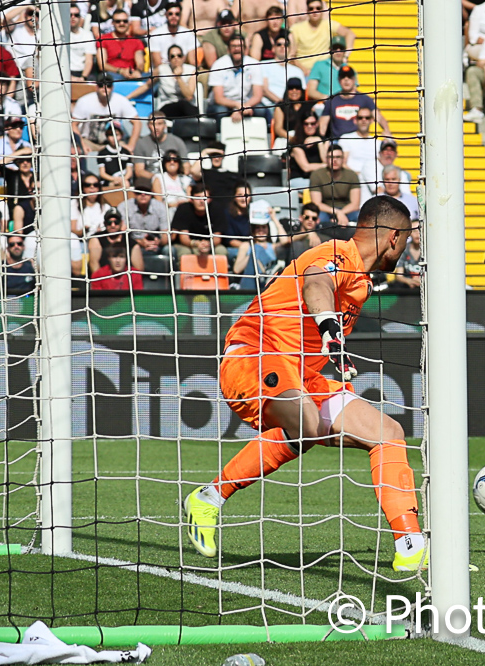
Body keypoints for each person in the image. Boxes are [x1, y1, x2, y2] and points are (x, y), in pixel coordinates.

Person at [182, 197, 427, 570]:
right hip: (255, 354)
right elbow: (317, 283)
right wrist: (332, 332)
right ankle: (212, 495)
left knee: (387, 432)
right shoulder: (339, 254)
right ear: (394, 236)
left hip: (299, 374)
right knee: (307, 423)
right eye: (408, 239)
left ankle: (411, 544)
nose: (408, 246)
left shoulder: (360, 278)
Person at [72, 75, 142, 153]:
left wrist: (130, 146)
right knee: (77, 150)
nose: (105, 88)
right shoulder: (84, 101)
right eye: (101, 85)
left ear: (112, 87)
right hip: (90, 142)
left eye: (108, 85)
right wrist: (82, 144)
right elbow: (73, 124)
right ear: (96, 87)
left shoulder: (121, 100)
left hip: (114, 143)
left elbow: (137, 122)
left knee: (129, 153)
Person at [208, 34, 269, 123]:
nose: (237, 49)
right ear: (228, 49)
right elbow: (219, 98)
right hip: (225, 104)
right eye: (233, 46)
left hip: (247, 103)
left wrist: (244, 107)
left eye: (240, 46)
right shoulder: (218, 65)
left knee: (261, 110)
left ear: (245, 49)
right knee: (220, 111)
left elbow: (258, 96)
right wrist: (238, 106)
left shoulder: (254, 64)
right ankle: (218, 136)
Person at [319, 65, 390, 139]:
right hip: (337, 143)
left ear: (354, 80)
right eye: (343, 77)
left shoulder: (365, 99)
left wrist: (387, 131)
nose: (346, 80)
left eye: (349, 77)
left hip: (358, 140)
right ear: (339, 80)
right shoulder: (332, 101)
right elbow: (322, 125)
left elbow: (379, 117)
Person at [290, 0, 356, 74]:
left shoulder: (328, 24)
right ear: (307, 10)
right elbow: (292, 56)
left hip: (325, 71)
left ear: (322, 10)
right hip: (304, 72)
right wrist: (304, 70)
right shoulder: (296, 29)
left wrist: (346, 56)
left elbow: (350, 34)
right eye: (311, 8)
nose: (314, 11)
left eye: (318, 8)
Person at [309, 144, 361, 237]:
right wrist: (337, 213)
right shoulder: (317, 175)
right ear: (326, 159)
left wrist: (341, 213)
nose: (335, 160)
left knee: (359, 216)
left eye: (338, 157)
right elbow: (316, 203)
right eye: (331, 157)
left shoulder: (352, 175)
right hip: (325, 210)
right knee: (318, 218)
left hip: (347, 210)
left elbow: (355, 204)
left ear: (343, 159)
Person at [171, 183, 228, 259]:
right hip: (187, 244)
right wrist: (196, 244)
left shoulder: (217, 209)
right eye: (198, 197)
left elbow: (217, 237)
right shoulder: (184, 209)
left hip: (210, 244)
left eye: (205, 198)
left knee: (221, 251)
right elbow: (183, 238)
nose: (201, 201)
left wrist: (208, 244)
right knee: (185, 253)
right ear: (191, 199)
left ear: (210, 199)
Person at [87, 207, 145, 275]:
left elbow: (139, 270)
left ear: (121, 223)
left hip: (125, 280)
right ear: (105, 223)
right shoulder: (96, 239)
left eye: (116, 222)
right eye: (109, 222)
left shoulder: (130, 242)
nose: (113, 225)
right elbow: (94, 265)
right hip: (103, 280)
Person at [133, 111, 188, 183]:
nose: (156, 127)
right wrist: (159, 180)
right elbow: (139, 171)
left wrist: (170, 179)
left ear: (165, 125)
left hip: (174, 182)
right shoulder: (141, 143)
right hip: (150, 182)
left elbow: (186, 168)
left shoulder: (177, 142)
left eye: (159, 124)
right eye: (153, 124)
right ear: (148, 126)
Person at [96, 9, 148, 81]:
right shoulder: (103, 39)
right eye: (118, 21)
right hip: (112, 74)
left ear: (129, 23)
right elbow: (102, 65)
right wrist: (121, 71)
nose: (122, 23)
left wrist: (137, 71)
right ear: (112, 23)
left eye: (125, 21)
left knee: (152, 78)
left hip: (131, 73)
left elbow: (140, 63)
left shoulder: (136, 42)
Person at [257, 34, 305, 108]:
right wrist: (282, 104)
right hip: (269, 106)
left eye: (285, 45)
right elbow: (264, 90)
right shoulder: (263, 65)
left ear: (289, 48)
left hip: (291, 109)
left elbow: (302, 92)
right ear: (273, 48)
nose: (282, 47)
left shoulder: (297, 71)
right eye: (279, 44)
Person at [153, 45, 199, 118]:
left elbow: (189, 96)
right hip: (167, 106)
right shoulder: (161, 70)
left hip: (187, 107)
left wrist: (179, 78)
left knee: (185, 105)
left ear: (183, 57)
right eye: (172, 56)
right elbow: (147, 85)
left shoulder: (191, 70)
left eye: (179, 55)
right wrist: (129, 97)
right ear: (168, 58)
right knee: (183, 105)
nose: (176, 58)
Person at [147, 2, 198, 68]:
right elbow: (157, 64)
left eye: (177, 14)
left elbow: (192, 62)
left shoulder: (188, 34)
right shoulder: (156, 34)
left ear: (180, 16)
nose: (174, 16)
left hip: (183, 69)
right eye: (170, 14)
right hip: (163, 71)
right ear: (166, 15)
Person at [307, 36, 349, 101]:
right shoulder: (319, 65)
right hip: (323, 104)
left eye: (341, 48)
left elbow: (353, 91)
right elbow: (311, 91)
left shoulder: (349, 69)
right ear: (330, 50)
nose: (338, 51)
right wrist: (329, 99)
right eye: (335, 48)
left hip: (343, 106)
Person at [96, 124, 135, 191]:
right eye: (111, 135)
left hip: (124, 181)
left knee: (125, 184)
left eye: (116, 135)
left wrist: (122, 179)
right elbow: (102, 173)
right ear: (107, 137)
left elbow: (129, 172)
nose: (114, 138)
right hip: (109, 182)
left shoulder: (126, 152)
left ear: (121, 136)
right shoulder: (102, 153)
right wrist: (114, 179)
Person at [69, 3, 97, 81]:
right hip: (65, 72)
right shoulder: (60, 36)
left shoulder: (88, 35)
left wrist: (83, 77)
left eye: (76, 15)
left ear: (80, 17)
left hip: (82, 73)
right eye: (70, 15)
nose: (73, 17)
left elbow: (89, 60)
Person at [392, 225, 423, 291]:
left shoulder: (430, 252)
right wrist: (410, 281)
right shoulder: (403, 249)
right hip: (407, 290)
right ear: (409, 233)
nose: (417, 233)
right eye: (414, 231)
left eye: (419, 230)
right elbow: (399, 276)